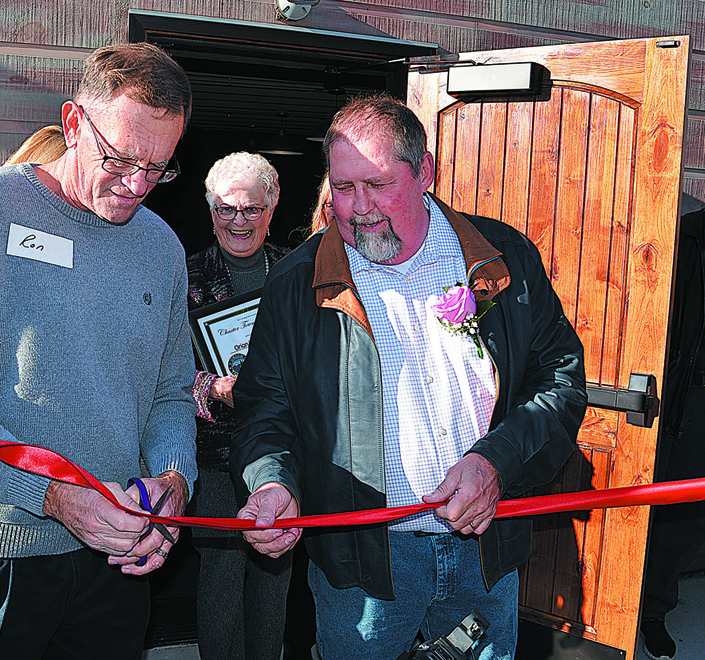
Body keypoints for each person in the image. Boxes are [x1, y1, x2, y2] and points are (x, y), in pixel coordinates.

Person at [231, 94, 587, 659]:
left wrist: (498, 460)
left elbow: (560, 381)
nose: (358, 207)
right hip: (362, 566)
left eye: (376, 184)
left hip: (485, 553)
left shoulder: (503, 257)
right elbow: (264, 411)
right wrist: (273, 482)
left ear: (424, 172)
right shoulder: (296, 284)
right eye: (343, 188)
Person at [0, 43, 197, 660]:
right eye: (120, 158)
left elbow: (170, 392)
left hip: (117, 562)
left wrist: (173, 481)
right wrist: (54, 497)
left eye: (159, 167)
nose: (137, 185)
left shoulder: (162, 246)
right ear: (73, 124)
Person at [187, 151, 292, 660]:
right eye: (226, 209)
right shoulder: (184, 276)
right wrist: (213, 389)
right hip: (213, 455)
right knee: (223, 577)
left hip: (283, 449)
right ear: (211, 212)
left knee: (276, 574)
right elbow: (159, 374)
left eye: (251, 210)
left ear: (271, 209)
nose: (238, 221)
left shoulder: (296, 272)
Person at [640, 208, 705, 660]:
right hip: (689, 392)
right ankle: (649, 611)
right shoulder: (688, 236)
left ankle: (655, 606)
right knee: (674, 508)